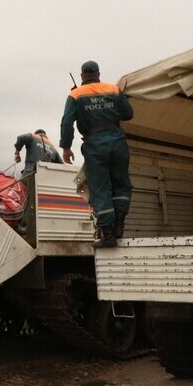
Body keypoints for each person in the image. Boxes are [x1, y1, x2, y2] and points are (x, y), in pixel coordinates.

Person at [60, 60, 134, 249]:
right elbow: (128, 114)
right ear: (99, 74)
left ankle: (108, 235)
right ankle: (119, 225)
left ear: (82, 75)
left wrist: (66, 147)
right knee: (121, 183)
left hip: (95, 144)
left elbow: (67, 123)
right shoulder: (113, 89)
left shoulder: (75, 94)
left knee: (100, 188)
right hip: (118, 141)